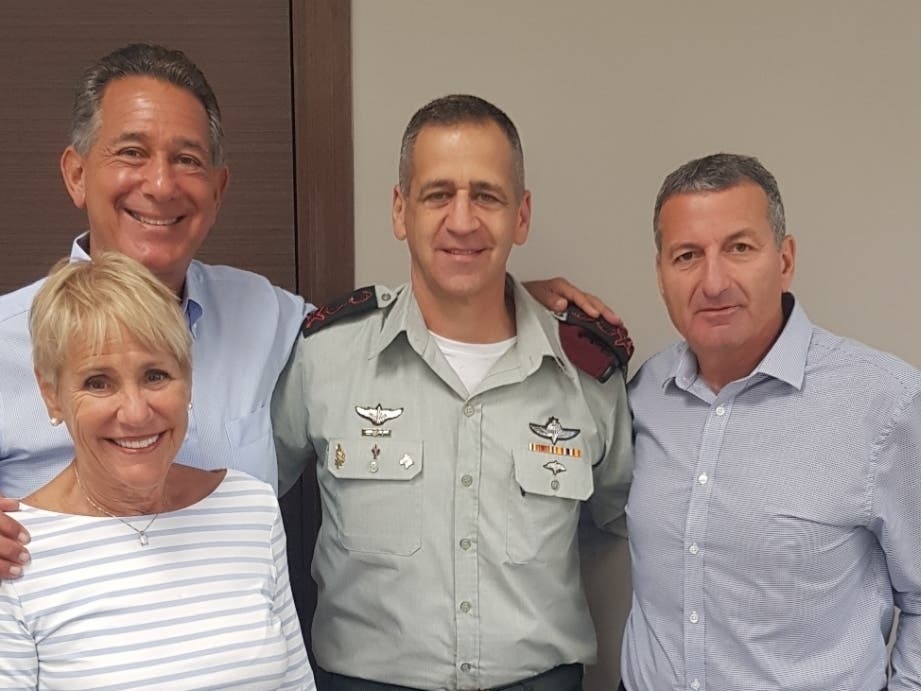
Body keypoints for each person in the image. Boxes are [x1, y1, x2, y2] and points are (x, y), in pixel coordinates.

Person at [0, 42, 614, 578]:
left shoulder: (272, 319)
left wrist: (499, 295)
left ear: (218, 189)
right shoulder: (5, 343)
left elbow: (403, 330)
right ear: (76, 174)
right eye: (131, 152)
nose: (161, 184)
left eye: (187, 159)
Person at [271, 94, 634, 691]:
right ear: (400, 210)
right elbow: (251, 497)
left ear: (521, 215)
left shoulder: (587, 373)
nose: (462, 220)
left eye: (486, 196)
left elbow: (614, 518)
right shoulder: (326, 357)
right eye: (438, 194)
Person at [621, 153, 921, 691]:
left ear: (784, 259)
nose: (713, 282)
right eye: (687, 255)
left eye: (739, 248)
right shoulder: (647, 391)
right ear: (661, 276)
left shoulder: (886, 401)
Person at [0, 252, 314, 689]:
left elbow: (296, 683)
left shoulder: (251, 508)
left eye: (155, 375)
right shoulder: (14, 552)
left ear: (188, 378)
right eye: (98, 382)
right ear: (51, 395)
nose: (134, 412)